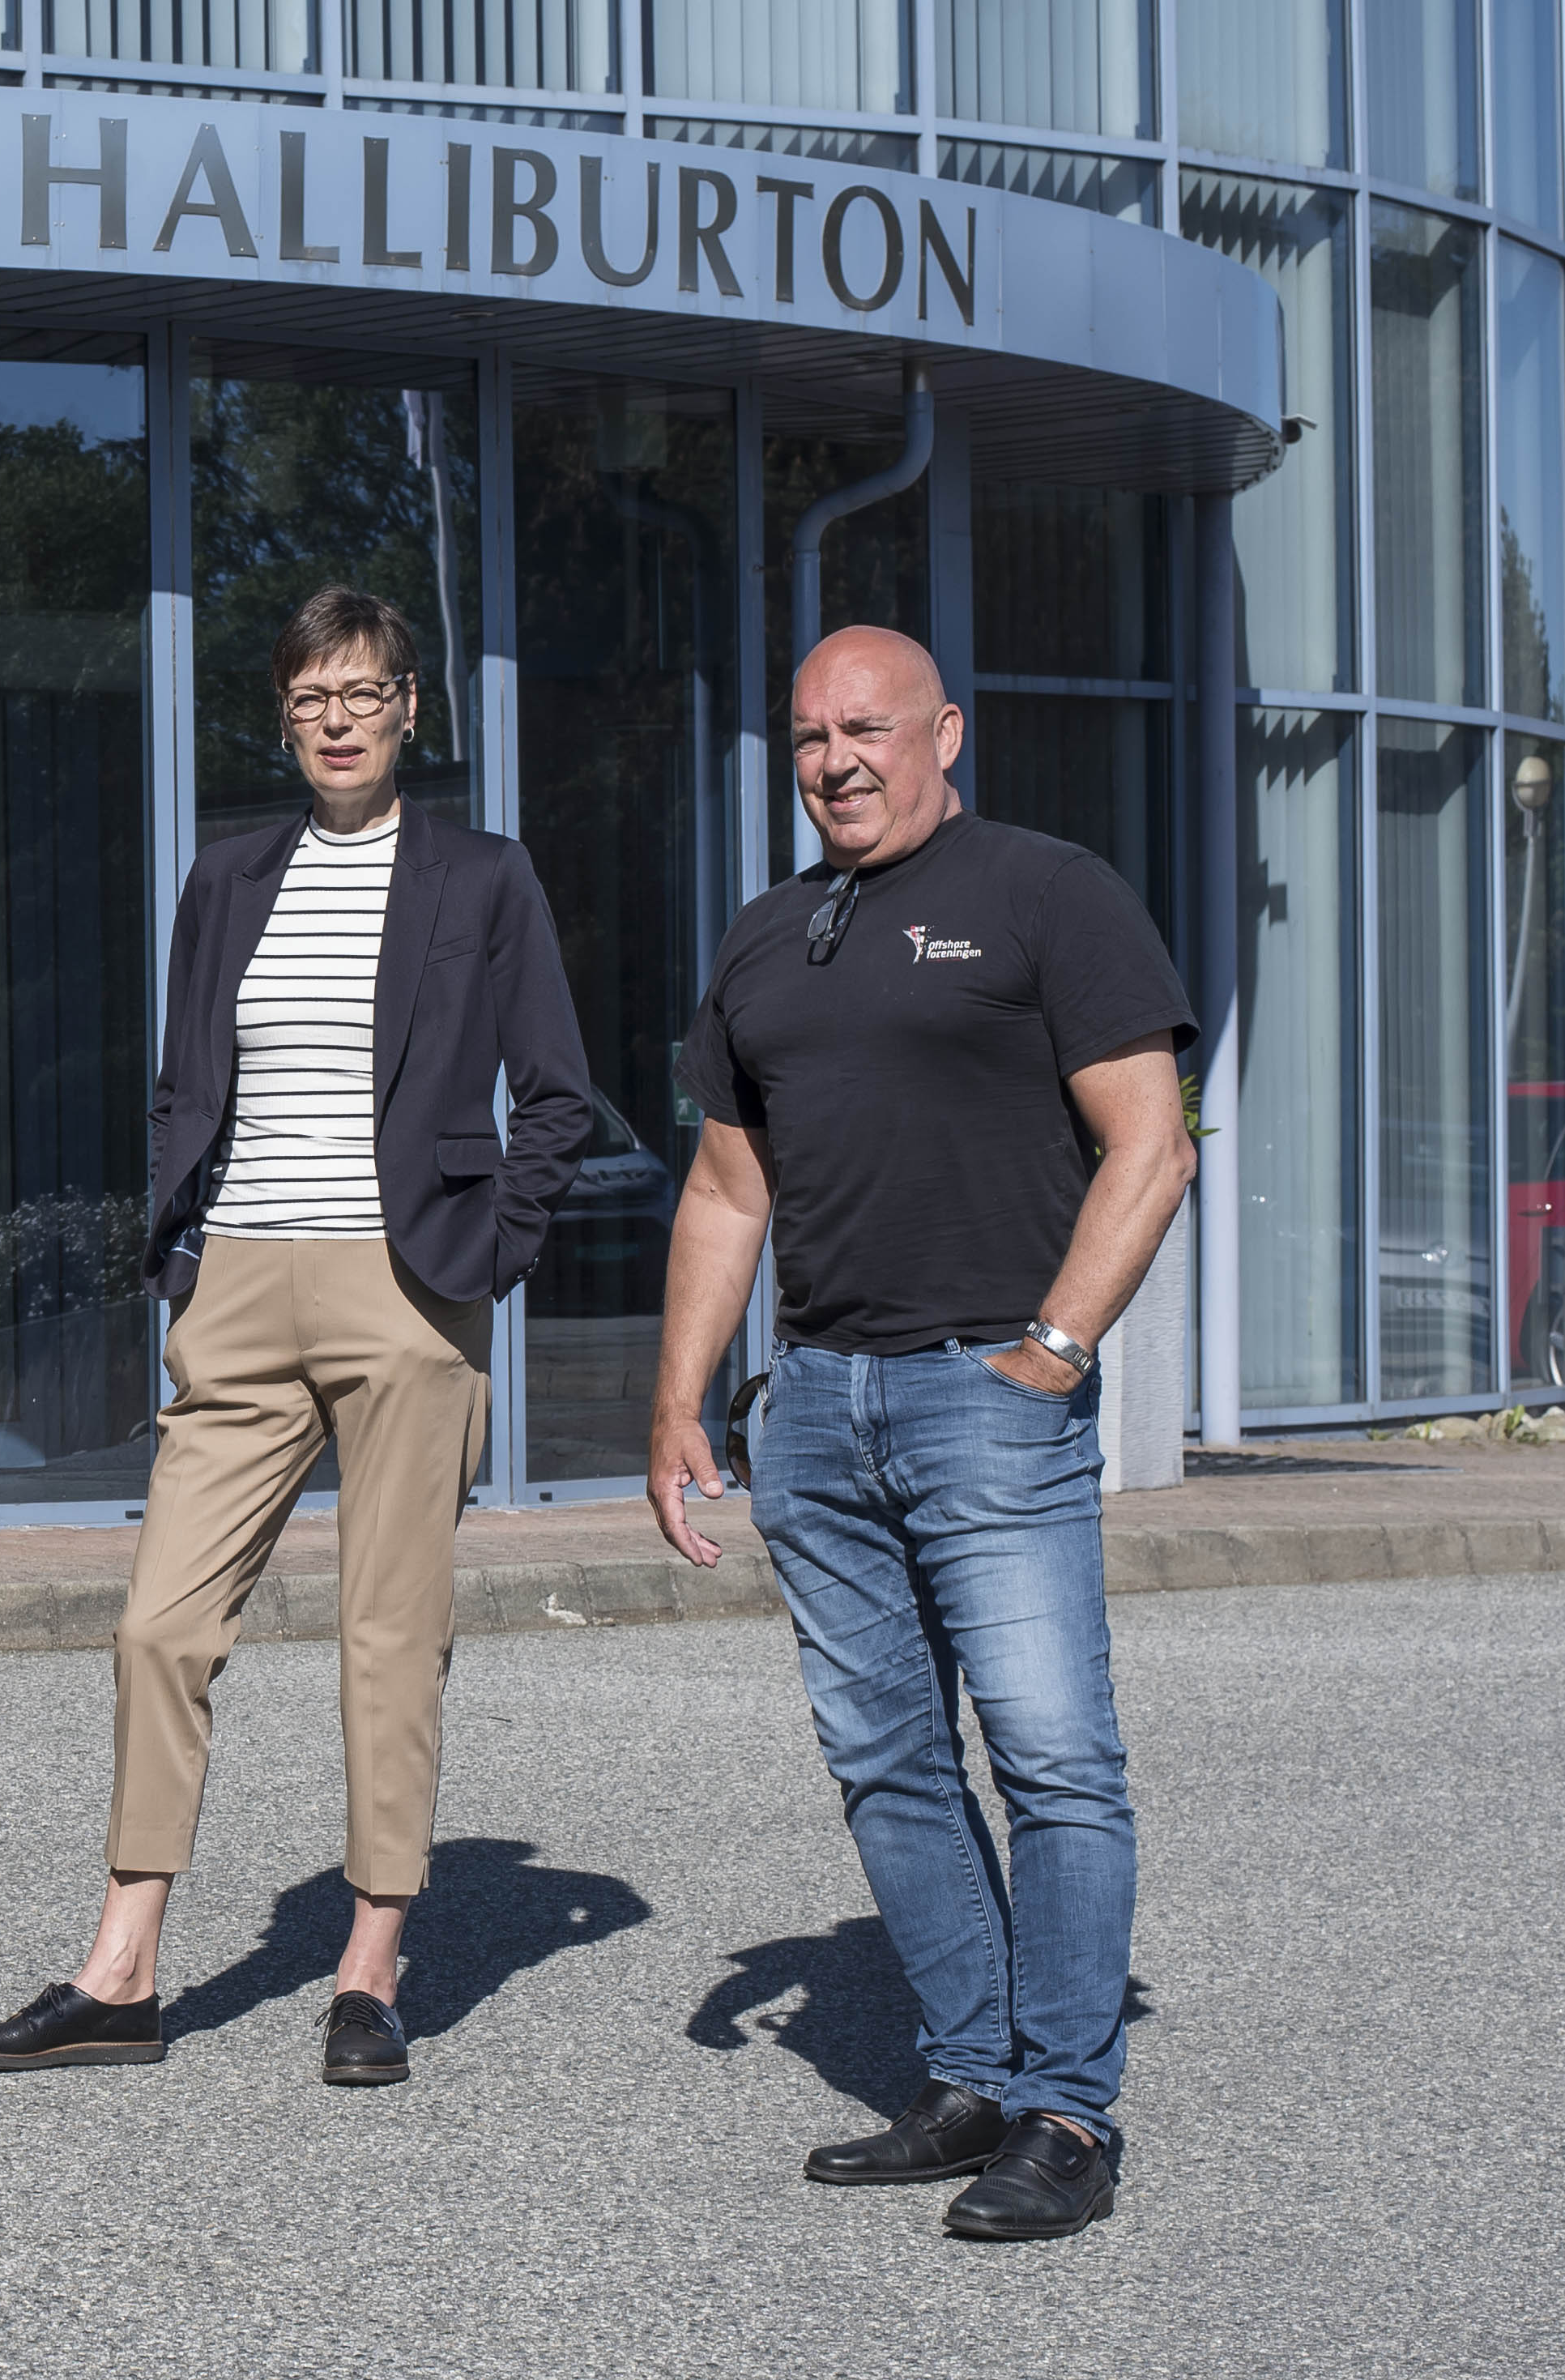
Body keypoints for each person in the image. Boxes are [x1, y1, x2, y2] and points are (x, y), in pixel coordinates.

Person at [0, 584, 593, 2085]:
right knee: (159, 1622)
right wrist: (182, 1246)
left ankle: (370, 1965)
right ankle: (122, 1972)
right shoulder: (229, 877)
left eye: (364, 692)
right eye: (312, 699)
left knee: (389, 1636)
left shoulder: (483, 879)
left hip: (405, 1286)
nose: (339, 719)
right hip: (238, 1282)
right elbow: (189, 1079)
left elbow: (554, 1093)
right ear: (286, 718)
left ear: (412, 709)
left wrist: (486, 1257)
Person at [647, 625, 1195, 2242]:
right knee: (886, 1761)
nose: (836, 758)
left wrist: (1050, 1350)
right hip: (814, 1405)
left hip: (987, 1401)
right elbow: (725, 1190)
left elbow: (1147, 1145)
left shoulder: (1046, 892)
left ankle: (1067, 2114)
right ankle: (965, 2075)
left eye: (867, 728)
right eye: (810, 734)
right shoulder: (765, 942)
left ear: (944, 733)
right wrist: (680, 1402)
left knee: (1050, 1761)